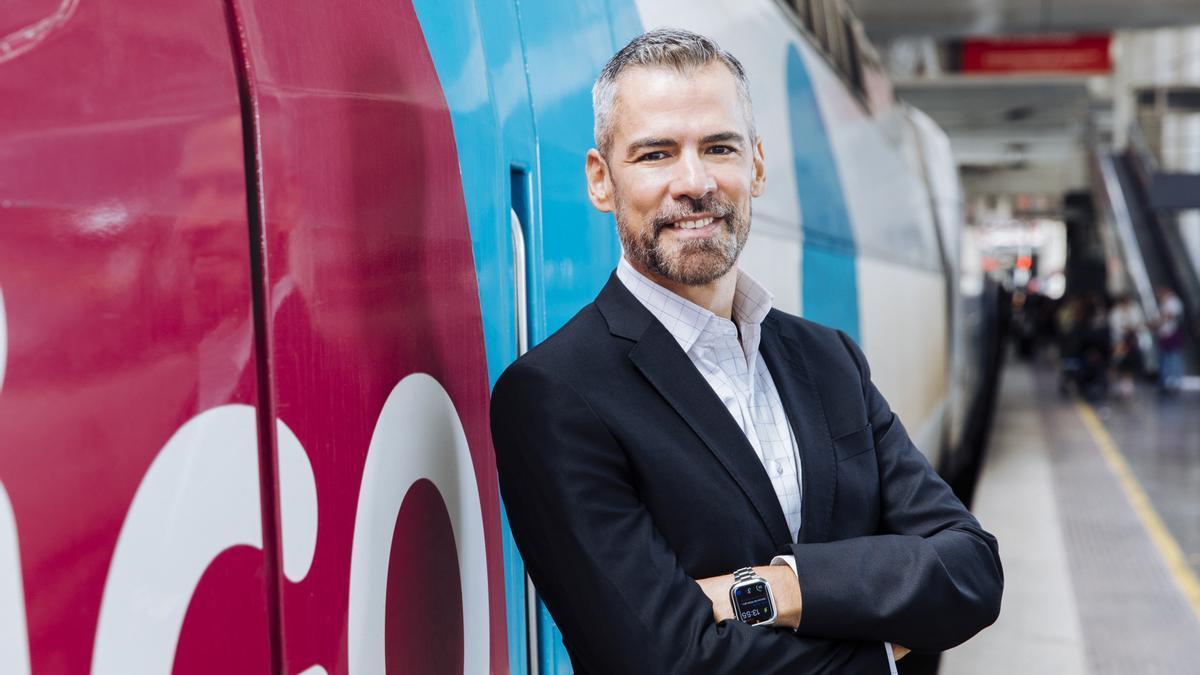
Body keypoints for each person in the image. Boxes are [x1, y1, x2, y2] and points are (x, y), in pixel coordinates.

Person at [490, 29, 1002, 674]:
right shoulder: (554, 396)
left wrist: (778, 590)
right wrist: (882, 647)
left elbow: (972, 567)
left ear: (756, 166)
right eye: (655, 154)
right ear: (601, 180)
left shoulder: (829, 360)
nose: (695, 182)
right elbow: (666, 663)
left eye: (719, 147)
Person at [1154, 285, 1185, 393]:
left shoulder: (1174, 302)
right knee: (1165, 357)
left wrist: (1161, 319)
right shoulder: (1162, 303)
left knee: (1173, 357)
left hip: (1172, 333)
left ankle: (1175, 380)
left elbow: (1171, 316)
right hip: (1163, 334)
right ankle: (1165, 380)